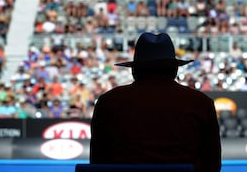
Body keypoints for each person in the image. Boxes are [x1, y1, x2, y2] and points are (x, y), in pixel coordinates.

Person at [90, 32, 221, 172]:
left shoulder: (108, 102)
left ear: (134, 69)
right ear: (175, 69)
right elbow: (212, 165)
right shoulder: (201, 103)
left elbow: (98, 161)